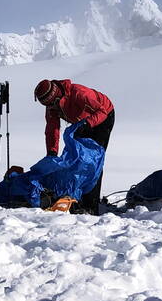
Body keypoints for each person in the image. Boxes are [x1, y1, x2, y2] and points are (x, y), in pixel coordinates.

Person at [34, 78, 115, 214]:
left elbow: (101, 112)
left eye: (53, 103)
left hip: (103, 118)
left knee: (92, 162)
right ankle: (78, 199)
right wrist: (52, 152)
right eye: (48, 105)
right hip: (82, 123)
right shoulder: (51, 105)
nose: (52, 107)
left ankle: (91, 205)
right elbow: (52, 129)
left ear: (57, 95)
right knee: (76, 160)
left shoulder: (79, 93)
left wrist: (87, 124)